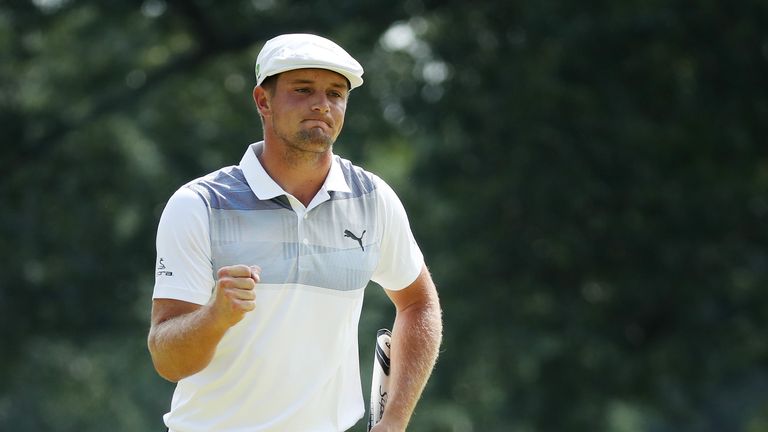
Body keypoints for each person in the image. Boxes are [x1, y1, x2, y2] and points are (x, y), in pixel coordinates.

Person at [147, 33, 443, 432]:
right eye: (303, 90)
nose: (322, 104)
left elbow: (418, 303)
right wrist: (216, 316)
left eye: (336, 93)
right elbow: (168, 361)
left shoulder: (373, 199)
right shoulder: (198, 204)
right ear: (263, 101)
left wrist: (394, 421)